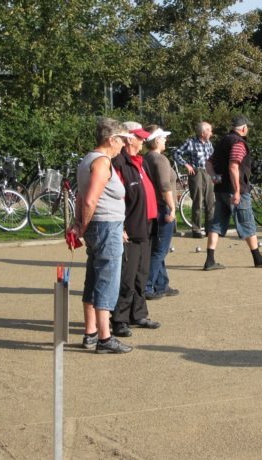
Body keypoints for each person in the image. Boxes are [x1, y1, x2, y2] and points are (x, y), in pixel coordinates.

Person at [71, 117, 133, 354]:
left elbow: (81, 197)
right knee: (107, 281)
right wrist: (83, 225)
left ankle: (91, 333)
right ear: (111, 139)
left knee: (94, 279)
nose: (124, 145)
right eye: (122, 140)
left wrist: (80, 224)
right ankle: (105, 339)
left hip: (103, 226)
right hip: (105, 226)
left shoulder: (88, 159)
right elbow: (89, 200)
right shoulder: (101, 162)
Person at [203, 115, 262, 270]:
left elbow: (208, 163)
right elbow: (233, 166)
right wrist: (237, 190)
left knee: (216, 224)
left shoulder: (222, 141)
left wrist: (214, 176)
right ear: (243, 128)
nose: (247, 129)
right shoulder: (238, 143)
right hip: (235, 191)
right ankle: (258, 258)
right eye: (247, 127)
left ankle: (210, 260)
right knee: (247, 222)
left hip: (221, 189)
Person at [111, 122, 161, 336]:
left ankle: (138, 314)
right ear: (129, 139)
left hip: (146, 224)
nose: (143, 141)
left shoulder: (140, 161)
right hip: (130, 227)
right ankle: (119, 319)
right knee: (127, 276)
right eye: (140, 138)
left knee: (141, 273)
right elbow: (116, 197)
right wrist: (121, 226)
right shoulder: (119, 163)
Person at [143, 125, 180, 300]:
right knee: (159, 251)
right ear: (157, 140)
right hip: (162, 207)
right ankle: (147, 286)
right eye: (163, 137)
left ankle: (161, 284)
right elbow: (165, 186)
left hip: (152, 207)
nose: (165, 140)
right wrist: (172, 207)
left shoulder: (146, 158)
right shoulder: (160, 159)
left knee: (158, 249)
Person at [173, 121, 215, 238]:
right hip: (197, 172)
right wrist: (186, 165)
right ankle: (196, 230)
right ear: (203, 133)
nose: (211, 133)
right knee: (198, 202)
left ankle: (210, 229)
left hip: (208, 173)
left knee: (210, 202)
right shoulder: (191, 142)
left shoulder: (209, 144)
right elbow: (176, 153)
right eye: (209, 130)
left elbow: (213, 158)